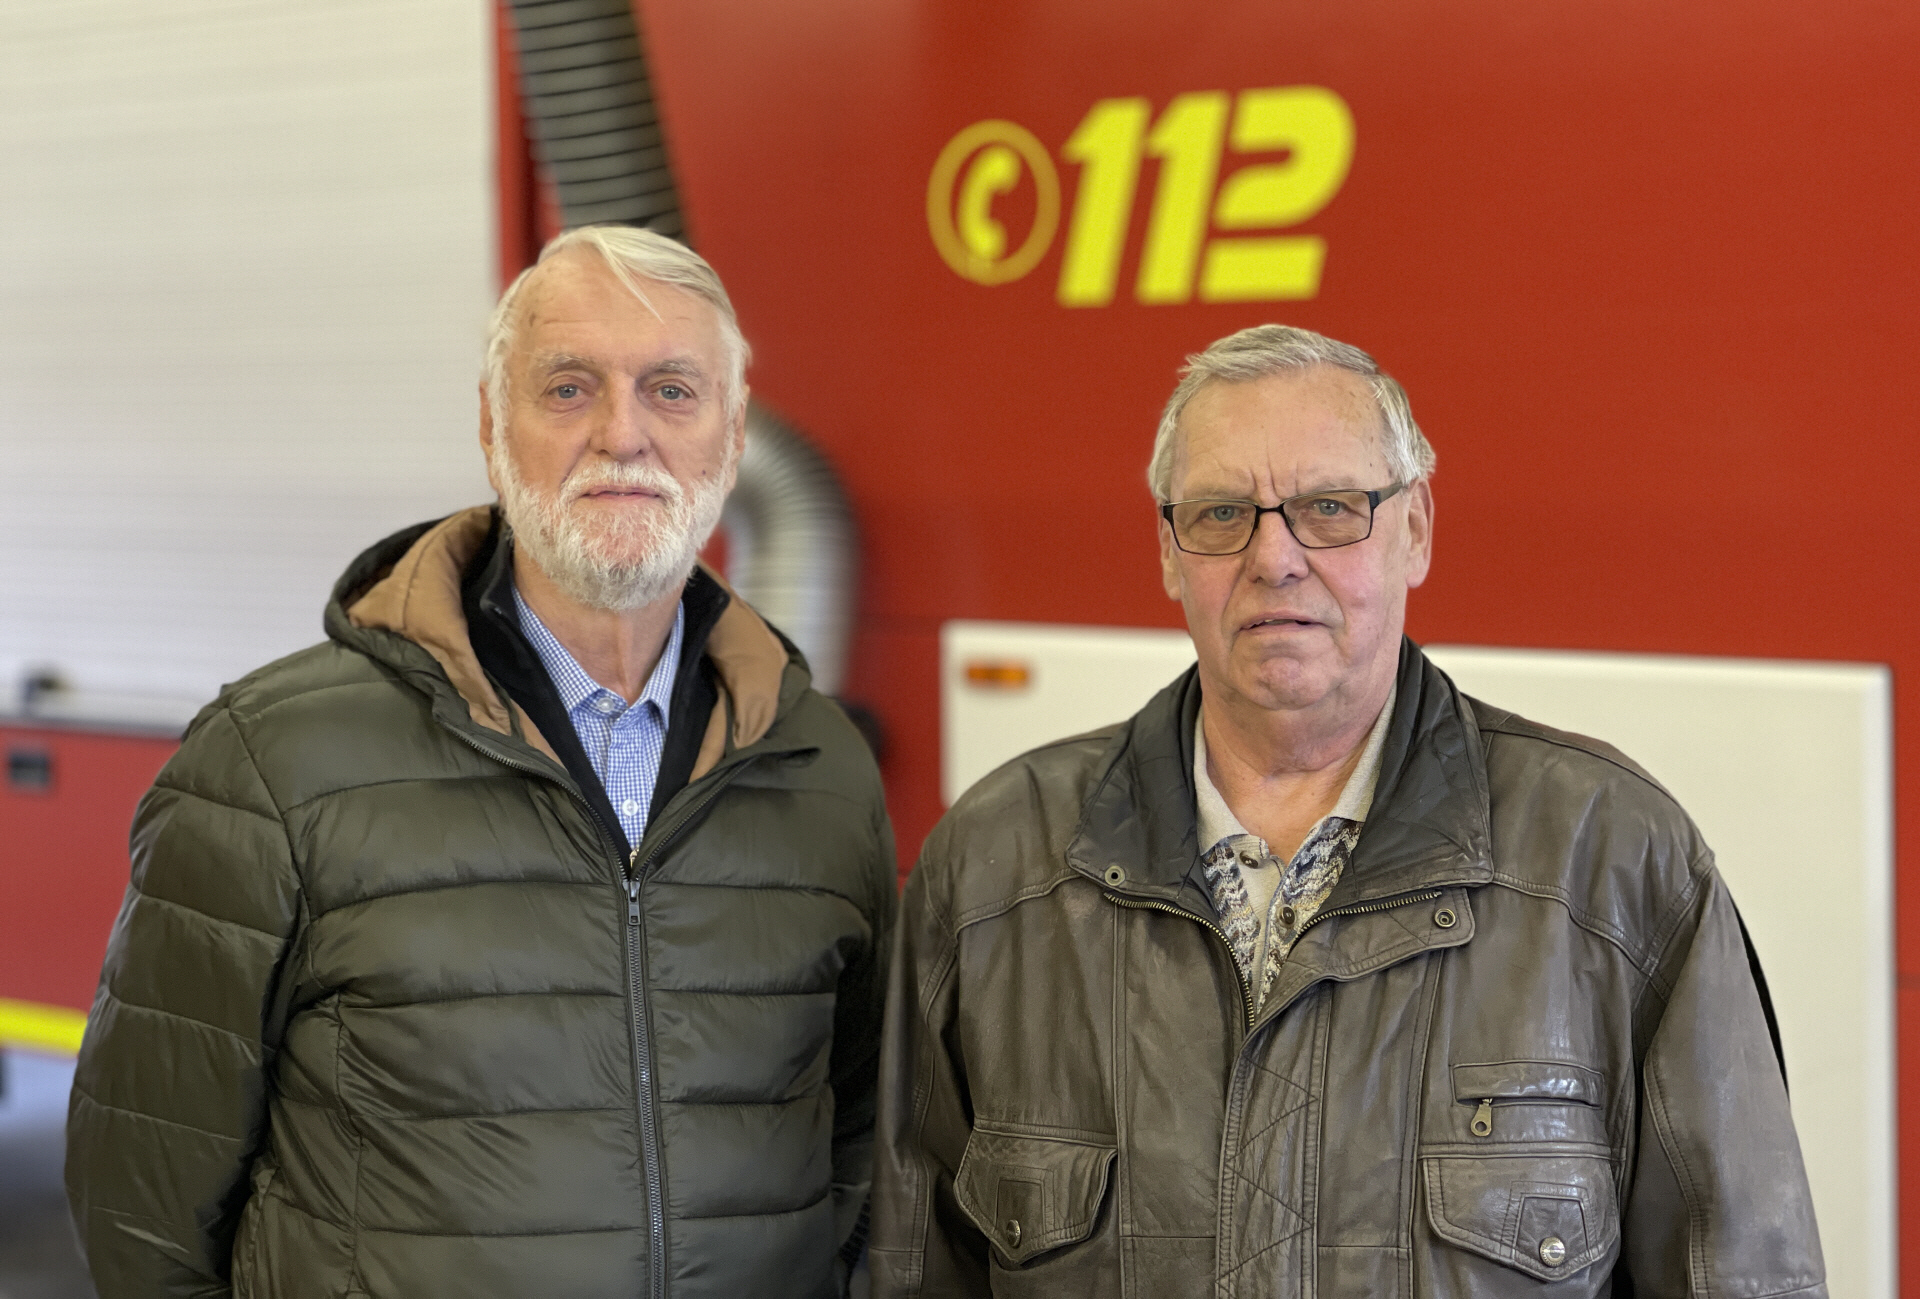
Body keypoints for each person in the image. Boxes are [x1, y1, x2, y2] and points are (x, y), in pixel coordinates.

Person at [870, 325, 1823, 1296]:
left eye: (1328, 508)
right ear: (1168, 552)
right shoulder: (995, 871)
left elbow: (1743, 1273)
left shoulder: (1613, 862)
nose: (1274, 557)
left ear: (1416, 530)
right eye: (1220, 513)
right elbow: (910, 1266)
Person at [66, 225, 895, 1298]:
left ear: (732, 442)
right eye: (568, 388)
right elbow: (142, 1204)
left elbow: (853, 1144)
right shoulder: (272, 763)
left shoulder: (821, 769)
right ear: (493, 430)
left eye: (673, 390)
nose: (622, 434)